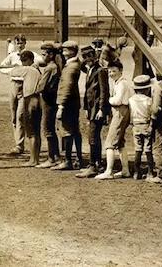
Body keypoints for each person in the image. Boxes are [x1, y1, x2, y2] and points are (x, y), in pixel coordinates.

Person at [0, 35, 43, 154]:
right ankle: (19, 143)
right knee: (13, 116)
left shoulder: (32, 54)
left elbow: (41, 62)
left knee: (20, 116)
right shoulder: (11, 56)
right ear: (15, 44)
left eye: (22, 42)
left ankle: (19, 145)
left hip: (25, 86)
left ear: (25, 43)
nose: (20, 45)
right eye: (18, 43)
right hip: (13, 85)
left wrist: (28, 66)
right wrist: (12, 70)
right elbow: (0, 67)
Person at [96, 59, 133, 179]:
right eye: (110, 71)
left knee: (110, 142)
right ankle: (125, 170)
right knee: (120, 142)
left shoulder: (122, 83)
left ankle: (109, 171)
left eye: (114, 71)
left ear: (121, 71)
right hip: (119, 111)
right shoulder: (117, 82)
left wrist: (109, 99)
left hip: (120, 110)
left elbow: (117, 100)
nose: (111, 74)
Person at [77, 45, 110, 177]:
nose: (87, 59)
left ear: (94, 56)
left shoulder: (100, 71)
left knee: (93, 137)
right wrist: (86, 108)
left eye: (89, 56)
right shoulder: (89, 69)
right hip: (91, 109)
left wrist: (102, 109)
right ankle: (97, 164)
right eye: (84, 57)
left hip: (97, 109)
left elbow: (104, 92)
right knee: (94, 136)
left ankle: (92, 165)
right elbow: (87, 92)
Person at [53, 41, 83, 170]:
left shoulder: (70, 68)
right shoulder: (75, 64)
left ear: (73, 51)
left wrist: (61, 106)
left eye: (66, 51)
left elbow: (66, 87)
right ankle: (79, 159)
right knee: (75, 131)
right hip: (73, 103)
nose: (64, 53)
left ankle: (68, 160)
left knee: (67, 131)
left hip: (67, 104)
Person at [10, 51, 43, 167]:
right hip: (37, 100)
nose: (23, 62)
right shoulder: (36, 70)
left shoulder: (28, 69)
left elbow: (12, 72)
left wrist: (13, 66)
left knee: (31, 132)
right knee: (36, 132)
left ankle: (33, 160)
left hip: (30, 100)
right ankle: (35, 158)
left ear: (30, 60)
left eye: (24, 60)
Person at [35, 42, 61, 168]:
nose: (43, 56)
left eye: (44, 54)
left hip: (47, 101)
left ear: (51, 55)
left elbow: (41, 87)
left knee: (47, 130)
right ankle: (55, 156)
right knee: (50, 129)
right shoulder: (55, 66)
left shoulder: (50, 68)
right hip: (52, 100)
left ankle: (52, 158)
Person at [129, 75, 156, 181]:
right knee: (148, 149)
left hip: (136, 125)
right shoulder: (149, 100)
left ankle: (137, 172)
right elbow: (152, 113)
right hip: (146, 125)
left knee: (137, 149)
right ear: (147, 88)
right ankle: (150, 172)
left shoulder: (131, 100)